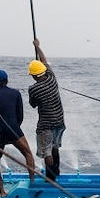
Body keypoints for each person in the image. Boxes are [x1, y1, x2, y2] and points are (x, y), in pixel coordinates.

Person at [0, 69, 36, 196]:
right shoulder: (15, 93)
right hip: (14, 129)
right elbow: (20, 114)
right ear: (7, 80)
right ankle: (32, 180)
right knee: (27, 154)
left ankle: (1, 188)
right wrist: (15, 127)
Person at [28, 39, 65, 181]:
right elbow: (44, 60)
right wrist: (38, 47)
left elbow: (33, 104)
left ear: (32, 75)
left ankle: (51, 177)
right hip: (60, 121)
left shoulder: (34, 88)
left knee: (47, 151)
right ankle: (57, 171)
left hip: (46, 125)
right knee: (55, 147)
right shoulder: (51, 77)